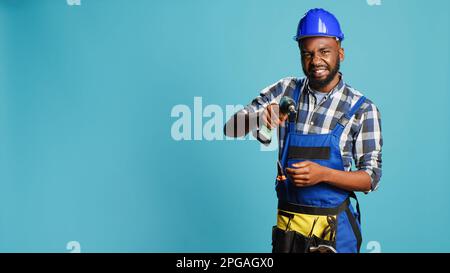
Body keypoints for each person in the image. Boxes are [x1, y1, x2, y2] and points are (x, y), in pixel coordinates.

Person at [224, 8, 383, 253]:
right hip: (289, 230)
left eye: (324, 52)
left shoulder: (362, 108)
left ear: (340, 52)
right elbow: (230, 128)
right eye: (307, 54)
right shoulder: (285, 90)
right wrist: (259, 117)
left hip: (334, 232)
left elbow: (370, 179)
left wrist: (324, 174)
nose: (315, 60)